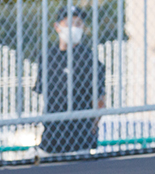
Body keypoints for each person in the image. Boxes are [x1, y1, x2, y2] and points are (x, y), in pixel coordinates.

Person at [33, 6, 105, 156]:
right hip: (51, 139)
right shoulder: (47, 57)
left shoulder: (89, 59)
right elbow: (43, 94)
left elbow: (99, 100)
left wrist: (92, 127)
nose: (74, 28)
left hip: (80, 139)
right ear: (57, 27)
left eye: (78, 24)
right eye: (69, 23)